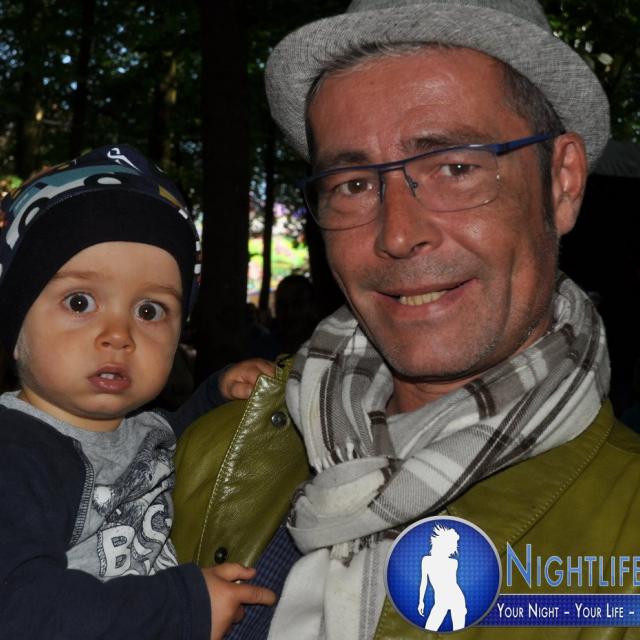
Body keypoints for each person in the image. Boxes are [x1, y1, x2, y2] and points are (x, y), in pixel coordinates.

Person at [172, 1, 640, 638]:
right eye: (354, 184)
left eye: (455, 168)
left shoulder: (622, 541)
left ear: (561, 182)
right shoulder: (210, 454)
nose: (396, 234)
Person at [0, 144, 276, 640]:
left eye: (149, 311)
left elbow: (158, 442)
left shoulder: (138, 426)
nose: (119, 335)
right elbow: (18, 610)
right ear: (16, 330)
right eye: (79, 302)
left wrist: (215, 397)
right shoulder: (15, 456)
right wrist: (181, 607)